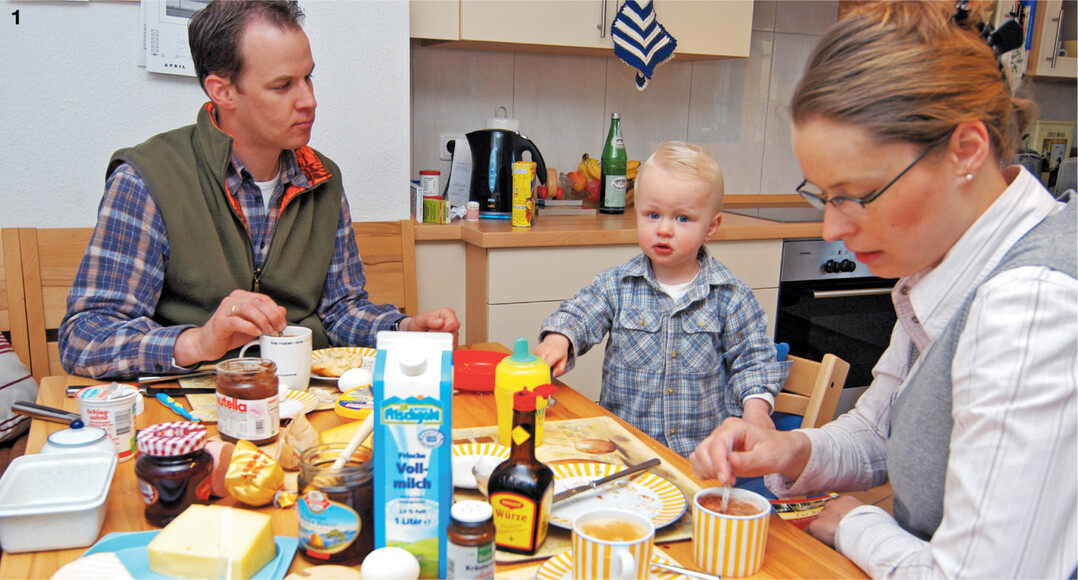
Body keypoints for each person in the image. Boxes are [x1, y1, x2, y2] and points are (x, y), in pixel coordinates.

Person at [689, 3, 1076, 577]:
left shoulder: (1031, 306)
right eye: (824, 196)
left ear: (966, 152)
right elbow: (881, 429)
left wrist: (856, 524)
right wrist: (794, 450)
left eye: (856, 194)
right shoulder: (943, 260)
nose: (831, 228)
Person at [59, 0, 458, 379]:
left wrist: (403, 330)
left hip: (306, 399)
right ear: (222, 91)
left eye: (308, 77)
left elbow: (341, 312)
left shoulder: (323, 177)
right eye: (283, 86)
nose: (309, 100)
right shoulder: (148, 179)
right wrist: (198, 341)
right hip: (195, 403)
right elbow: (85, 338)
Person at [535, 142, 789, 460]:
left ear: (711, 227)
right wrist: (559, 338)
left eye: (682, 218)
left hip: (700, 460)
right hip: (625, 452)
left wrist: (756, 410)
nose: (664, 229)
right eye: (653, 215)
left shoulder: (731, 296)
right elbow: (581, 313)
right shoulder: (617, 284)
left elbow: (754, 363)